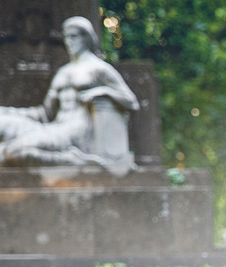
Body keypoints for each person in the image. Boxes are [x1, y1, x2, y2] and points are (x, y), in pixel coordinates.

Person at [0, 16, 139, 167]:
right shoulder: (63, 71)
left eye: (74, 36)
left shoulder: (99, 68)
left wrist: (103, 92)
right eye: (66, 37)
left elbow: (131, 102)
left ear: (87, 38)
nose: (69, 41)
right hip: (55, 127)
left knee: (13, 151)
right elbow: (45, 113)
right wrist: (8, 112)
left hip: (76, 131)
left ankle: (77, 159)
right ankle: (67, 157)